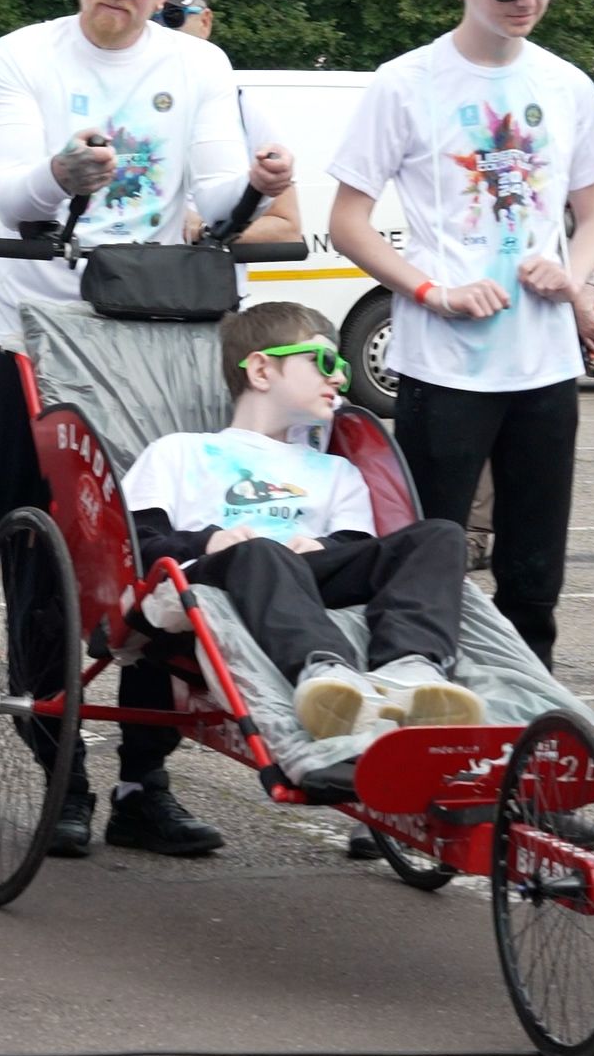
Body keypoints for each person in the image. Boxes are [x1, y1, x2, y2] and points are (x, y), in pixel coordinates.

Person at [0, 0, 269, 861]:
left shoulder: (200, 66)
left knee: (162, 553)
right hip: (36, 338)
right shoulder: (21, 56)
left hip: (155, 337)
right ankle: (60, 769)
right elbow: (10, 192)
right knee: (42, 564)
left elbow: (215, 191)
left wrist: (257, 186)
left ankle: (146, 781)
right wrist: (63, 174)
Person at [328, 0, 594, 669]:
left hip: (544, 365)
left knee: (534, 578)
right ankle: (420, 710)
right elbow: (348, 221)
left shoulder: (567, 86)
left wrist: (572, 274)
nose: (529, 0)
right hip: (443, 367)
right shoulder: (406, 83)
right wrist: (433, 292)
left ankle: (527, 727)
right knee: (427, 566)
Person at [127, 300, 485, 740]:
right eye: (323, 362)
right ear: (262, 370)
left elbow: (356, 547)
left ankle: (411, 667)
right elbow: (134, 543)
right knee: (259, 552)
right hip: (215, 582)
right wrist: (207, 543)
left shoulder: (338, 470)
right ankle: (326, 674)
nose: (338, 378)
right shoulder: (179, 452)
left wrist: (325, 547)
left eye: (342, 368)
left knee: (441, 534)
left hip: (306, 578)